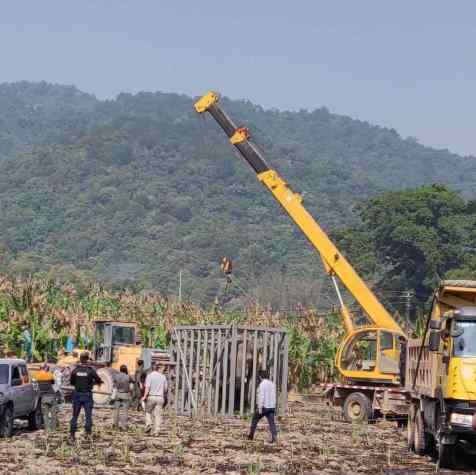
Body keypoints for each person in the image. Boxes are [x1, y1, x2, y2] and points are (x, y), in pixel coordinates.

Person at [69, 352, 103, 442]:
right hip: (87, 395)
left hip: (77, 395)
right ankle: (88, 434)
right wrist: (94, 383)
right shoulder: (90, 370)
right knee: (88, 416)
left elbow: (71, 382)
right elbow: (99, 380)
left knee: (75, 415)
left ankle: (72, 435)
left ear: (80, 359)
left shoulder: (75, 371)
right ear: (87, 360)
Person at [248, 370, 277, 443]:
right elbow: (274, 396)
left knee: (254, 420)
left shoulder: (262, 384)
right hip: (271, 407)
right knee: (272, 423)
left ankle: (251, 436)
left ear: (260, 377)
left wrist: (259, 408)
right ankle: (274, 438)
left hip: (264, 407)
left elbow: (261, 397)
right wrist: (273, 406)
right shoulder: (272, 384)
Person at [142, 362, 168, 436]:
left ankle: (148, 424)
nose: (164, 370)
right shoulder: (163, 377)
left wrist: (144, 396)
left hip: (151, 396)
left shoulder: (150, 376)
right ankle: (157, 431)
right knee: (158, 415)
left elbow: (147, 387)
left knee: (148, 411)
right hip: (160, 398)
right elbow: (165, 389)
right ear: (158, 369)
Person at [35, 363, 62, 431]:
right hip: (51, 396)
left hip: (43, 397)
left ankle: (47, 428)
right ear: (46, 368)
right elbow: (53, 383)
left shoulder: (37, 376)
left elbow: (36, 386)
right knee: (53, 413)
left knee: (45, 414)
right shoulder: (49, 375)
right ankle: (53, 428)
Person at [112, 364, 132, 431]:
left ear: (120, 369)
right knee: (125, 411)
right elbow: (132, 383)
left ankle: (115, 425)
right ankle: (124, 426)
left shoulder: (116, 376)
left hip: (118, 394)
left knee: (116, 411)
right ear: (126, 370)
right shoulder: (128, 376)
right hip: (125, 394)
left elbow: (114, 384)